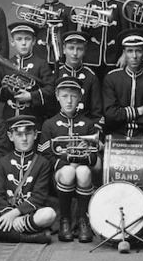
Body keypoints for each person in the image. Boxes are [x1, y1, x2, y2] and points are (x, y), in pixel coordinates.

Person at [0, 115, 55, 243]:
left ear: (35, 135)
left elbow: (39, 197)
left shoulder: (42, 163)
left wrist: (16, 214)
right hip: (4, 214)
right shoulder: (2, 162)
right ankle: (26, 237)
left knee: (49, 214)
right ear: (10, 136)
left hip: (28, 215)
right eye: (19, 134)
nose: (24, 139)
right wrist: (9, 215)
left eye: (28, 134)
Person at [38, 77, 101, 243]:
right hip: (59, 176)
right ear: (57, 96)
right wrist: (68, 162)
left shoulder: (87, 124)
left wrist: (84, 151)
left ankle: (83, 221)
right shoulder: (49, 124)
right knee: (68, 171)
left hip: (82, 177)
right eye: (65, 96)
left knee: (83, 170)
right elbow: (45, 156)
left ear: (80, 98)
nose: (69, 100)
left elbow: (94, 157)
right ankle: (64, 220)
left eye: (73, 96)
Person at [103, 28, 143, 139]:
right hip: (117, 134)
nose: (134, 56)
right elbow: (110, 115)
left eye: (138, 51)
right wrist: (138, 111)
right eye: (130, 51)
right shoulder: (111, 78)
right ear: (124, 53)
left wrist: (123, 117)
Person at [0, 22, 55, 123]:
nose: (23, 43)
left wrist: (31, 96)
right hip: (9, 116)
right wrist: (5, 88)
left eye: (27, 39)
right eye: (19, 39)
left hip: (33, 116)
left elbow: (51, 89)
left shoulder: (41, 63)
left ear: (33, 41)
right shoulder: (6, 64)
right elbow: (0, 97)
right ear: (12, 42)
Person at [80, 0, 125, 76]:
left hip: (114, 58)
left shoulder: (120, 7)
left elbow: (125, 32)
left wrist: (125, 54)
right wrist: (84, 27)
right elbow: (84, 36)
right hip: (92, 59)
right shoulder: (89, 6)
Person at [55, 31, 103, 130]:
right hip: (59, 128)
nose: (75, 53)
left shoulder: (91, 76)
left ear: (85, 51)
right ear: (64, 49)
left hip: (85, 129)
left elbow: (96, 112)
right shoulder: (55, 74)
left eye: (79, 49)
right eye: (71, 48)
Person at [32, 0, 72, 67]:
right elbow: (31, 37)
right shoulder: (36, 11)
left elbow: (71, 37)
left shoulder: (67, 11)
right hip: (39, 56)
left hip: (61, 58)